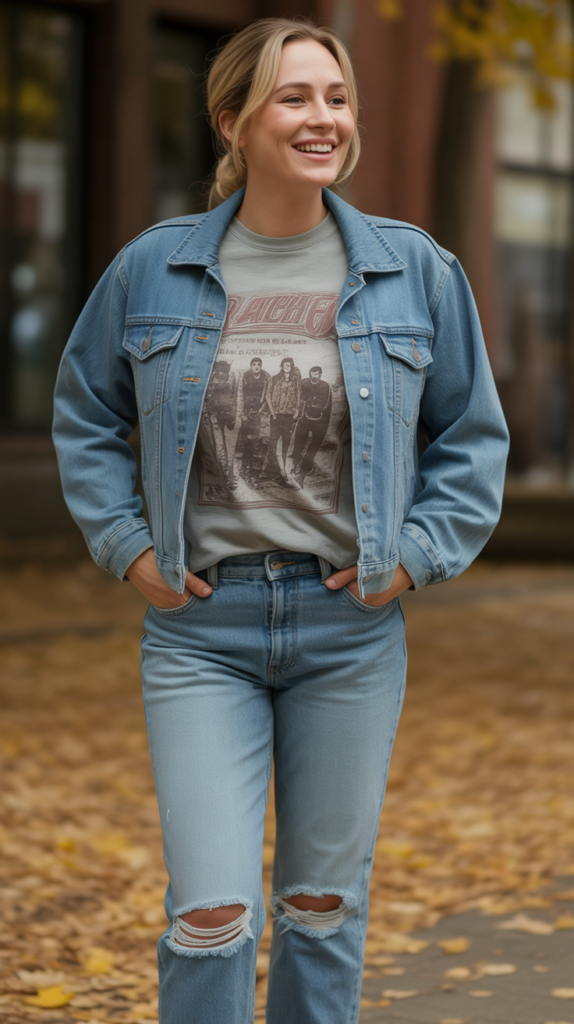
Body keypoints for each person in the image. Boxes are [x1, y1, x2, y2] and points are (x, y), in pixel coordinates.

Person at [52, 17, 509, 1024]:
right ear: (233, 122)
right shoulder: (151, 268)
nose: (323, 118)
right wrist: (126, 545)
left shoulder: (413, 271)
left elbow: (471, 437)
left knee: (318, 906)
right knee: (212, 909)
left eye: (337, 98)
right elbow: (85, 411)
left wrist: (416, 557)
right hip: (198, 630)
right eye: (295, 97)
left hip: (348, 630)